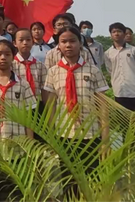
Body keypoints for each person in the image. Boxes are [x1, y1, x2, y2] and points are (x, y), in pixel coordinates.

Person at [44, 26, 109, 195]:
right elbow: (50, 107)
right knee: (69, 181)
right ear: (58, 46)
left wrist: (105, 137)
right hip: (64, 134)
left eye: (72, 41)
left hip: (91, 134)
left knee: (93, 180)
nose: (68, 45)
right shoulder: (53, 72)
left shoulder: (93, 70)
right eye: (63, 42)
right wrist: (51, 136)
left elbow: (103, 105)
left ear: (80, 43)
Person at [0, 39, 36, 201]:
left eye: (7, 54)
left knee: (17, 191)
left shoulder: (23, 85)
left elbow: (29, 119)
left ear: (13, 57)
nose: (3, 58)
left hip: (18, 148)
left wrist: (29, 148)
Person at [104, 22, 135, 111]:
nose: (116, 33)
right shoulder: (108, 53)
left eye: (119, 31)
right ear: (111, 35)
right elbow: (110, 71)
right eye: (114, 32)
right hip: (120, 92)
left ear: (124, 34)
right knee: (124, 121)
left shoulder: (134, 51)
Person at [12, 28, 47, 99]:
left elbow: (44, 88)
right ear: (15, 43)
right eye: (21, 40)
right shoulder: (11, 65)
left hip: (37, 103)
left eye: (28, 40)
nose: (25, 43)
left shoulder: (40, 65)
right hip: (17, 103)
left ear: (33, 42)